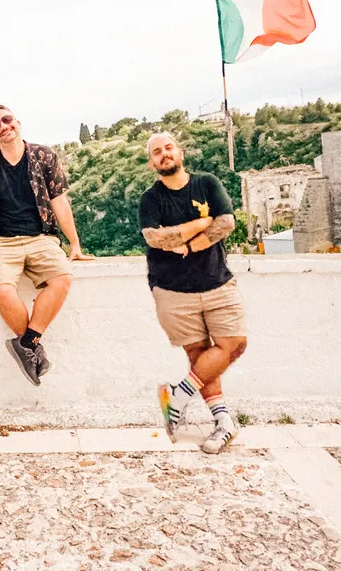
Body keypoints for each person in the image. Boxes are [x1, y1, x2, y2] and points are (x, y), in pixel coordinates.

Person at [0, 104, 93, 385]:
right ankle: (33, 348)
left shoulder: (44, 157)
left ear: (18, 122)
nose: (3, 126)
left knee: (62, 279)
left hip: (41, 238)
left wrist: (74, 244)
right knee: (3, 290)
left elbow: (59, 201)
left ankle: (26, 343)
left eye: (7, 120)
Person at [139, 132, 248, 454]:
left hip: (217, 281)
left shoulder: (207, 183)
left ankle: (179, 394)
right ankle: (223, 421)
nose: (164, 154)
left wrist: (190, 244)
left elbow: (226, 222)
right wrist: (199, 226)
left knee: (234, 344)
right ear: (151, 162)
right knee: (198, 356)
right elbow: (155, 238)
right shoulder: (151, 198)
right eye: (156, 152)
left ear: (180, 152)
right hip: (172, 289)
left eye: (168, 148)